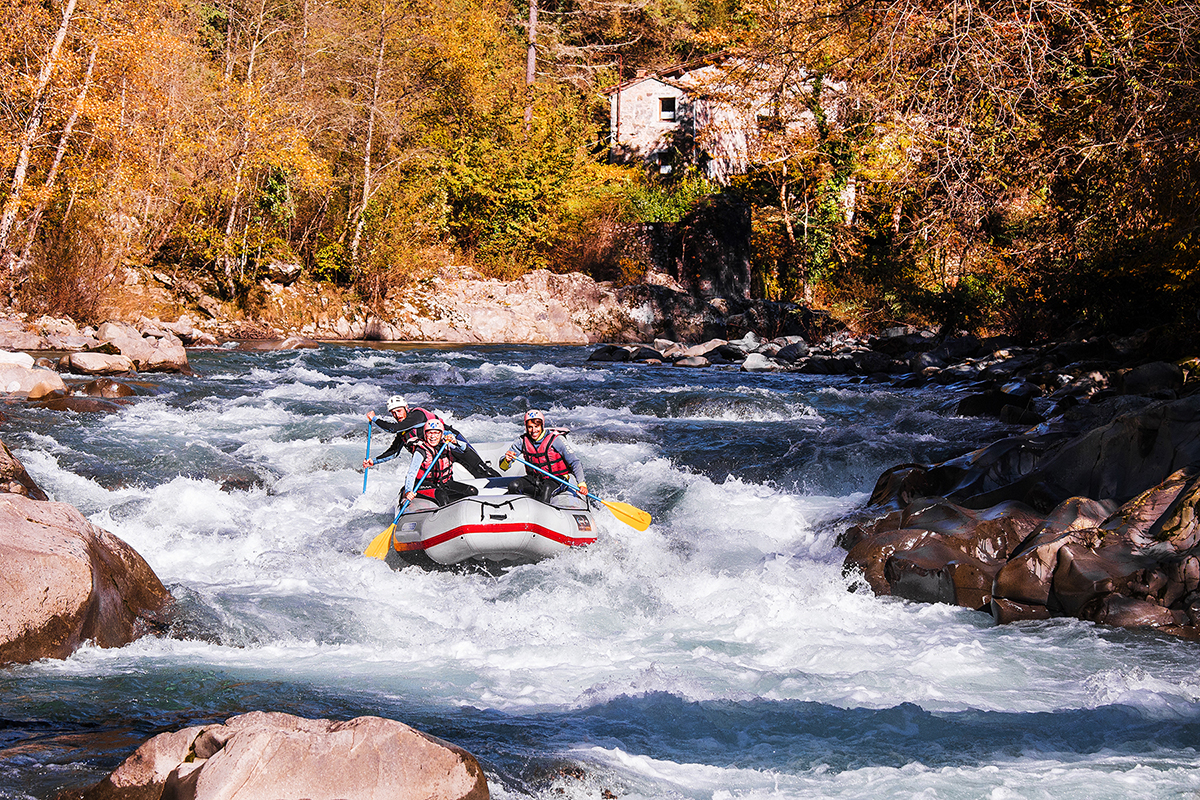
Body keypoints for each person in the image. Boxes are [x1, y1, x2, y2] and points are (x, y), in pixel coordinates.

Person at [365, 395, 499, 478]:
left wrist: (375, 418)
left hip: (454, 445)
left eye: (399, 411)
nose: (397, 415)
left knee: (481, 471)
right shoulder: (404, 431)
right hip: (439, 456)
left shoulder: (417, 415)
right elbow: (393, 452)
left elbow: (392, 428)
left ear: (406, 408)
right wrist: (373, 461)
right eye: (393, 413)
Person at [499, 410, 588, 504]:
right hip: (536, 479)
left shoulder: (556, 440)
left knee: (547, 488)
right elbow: (503, 467)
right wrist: (507, 460)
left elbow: (575, 462)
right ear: (526, 427)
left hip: (558, 479)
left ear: (542, 425)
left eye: (536, 426)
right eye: (530, 427)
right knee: (514, 485)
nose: (533, 431)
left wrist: (581, 484)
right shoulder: (522, 441)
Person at [400, 419, 479, 507]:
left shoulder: (446, 445)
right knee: (442, 496)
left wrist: (455, 441)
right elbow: (411, 473)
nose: (433, 436)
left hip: (443, 483)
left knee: (472, 491)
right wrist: (408, 491)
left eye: (436, 433)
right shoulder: (421, 451)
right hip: (423, 485)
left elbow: (464, 449)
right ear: (425, 435)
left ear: (441, 434)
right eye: (430, 433)